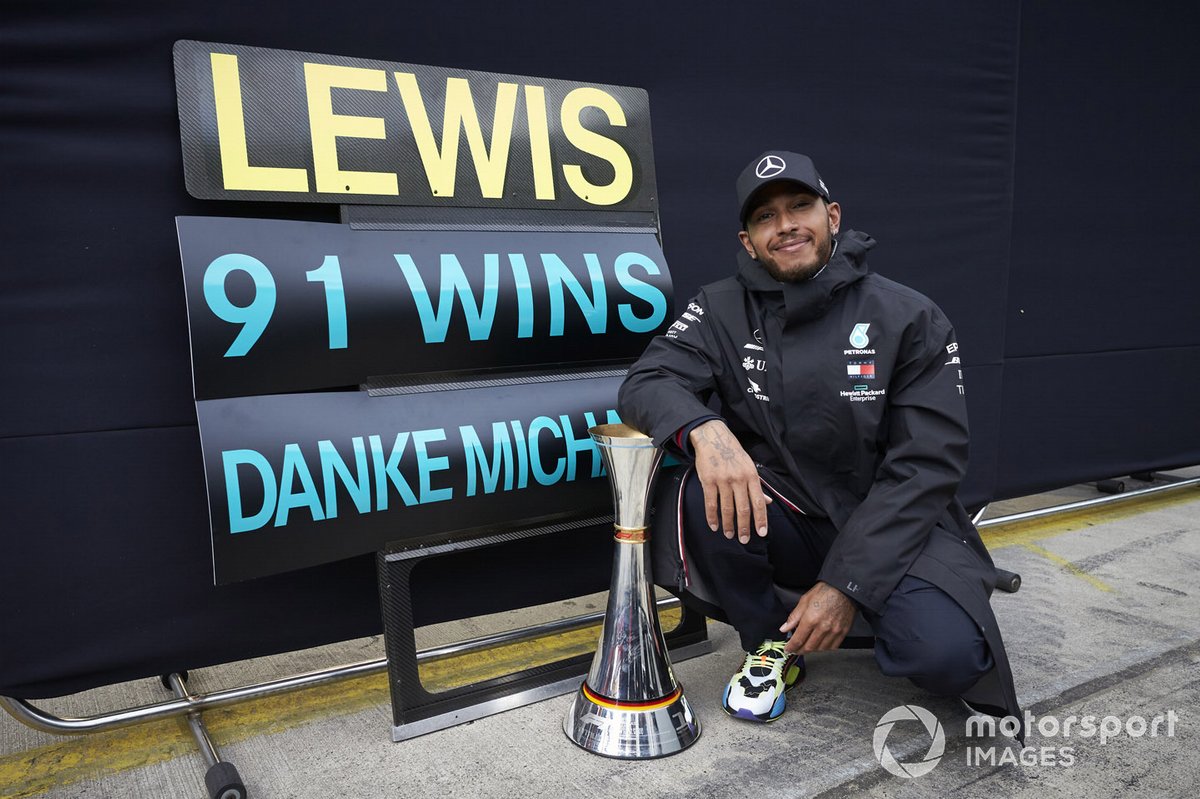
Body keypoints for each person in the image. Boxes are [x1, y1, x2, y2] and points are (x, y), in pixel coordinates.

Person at [618, 151, 1022, 733]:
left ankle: (870, 606)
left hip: (892, 523)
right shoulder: (720, 308)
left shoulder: (908, 315)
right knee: (694, 484)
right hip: (788, 515)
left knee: (949, 658)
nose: (784, 225)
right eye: (765, 217)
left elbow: (926, 467)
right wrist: (707, 431)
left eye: (799, 206)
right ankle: (770, 643)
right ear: (748, 239)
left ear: (832, 216)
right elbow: (647, 381)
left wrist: (846, 585)